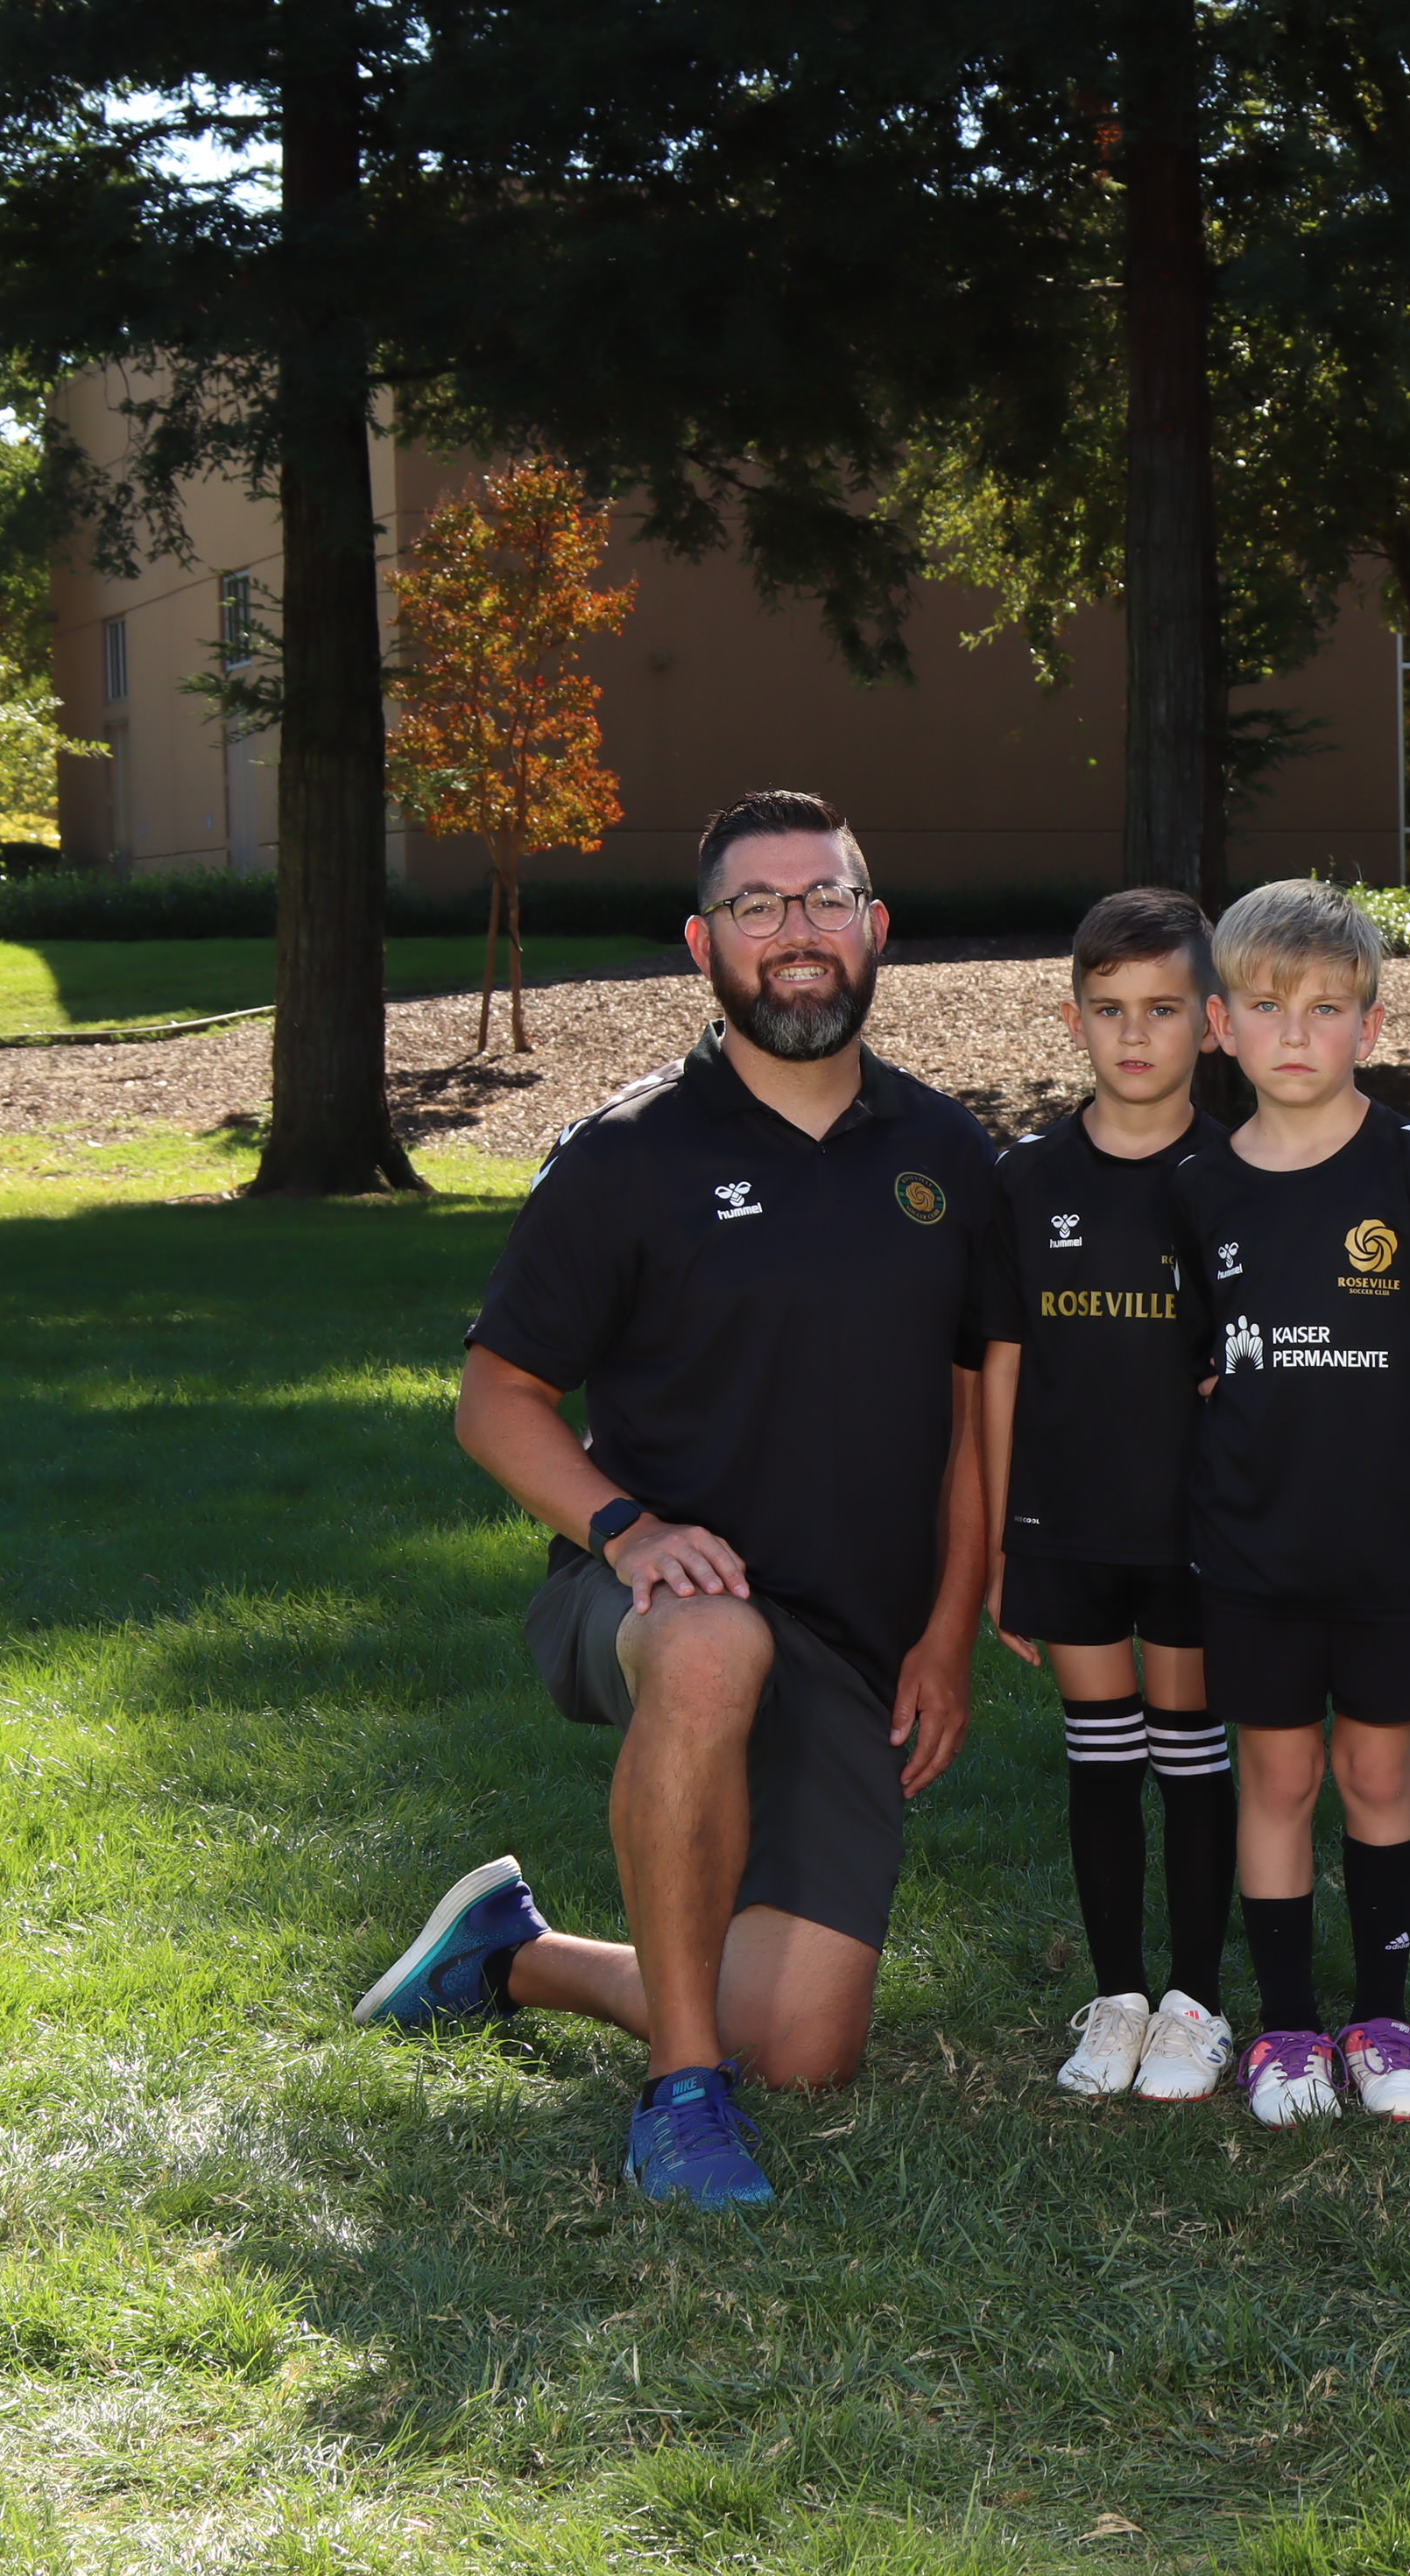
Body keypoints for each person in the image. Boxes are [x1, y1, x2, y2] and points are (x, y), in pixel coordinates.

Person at [356, 789, 1014, 2209]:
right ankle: (678, 2097)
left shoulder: (951, 1159)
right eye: (756, 906)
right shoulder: (628, 1156)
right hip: (652, 1598)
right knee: (716, 1642)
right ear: (702, 944)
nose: (796, 931)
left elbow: (973, 1429)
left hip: (849, 1648)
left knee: (807, 2052)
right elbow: (496, 1398)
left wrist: (949, 1634)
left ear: (876, 928)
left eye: (824, 899)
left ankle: (513, 1955)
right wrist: (627, 1530)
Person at [1174, 880, 1410, 2128]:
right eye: (1265, 1006)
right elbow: (1195, 1353)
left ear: (1372, 1022)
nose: (1294, 1033)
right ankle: (1290, 2026)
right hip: (1254, 1540)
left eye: (1325, 1008)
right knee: (1280, 1775)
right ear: (1220, 1025)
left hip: (1392, 1537)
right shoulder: (1199, 1186)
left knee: (1377, 1770)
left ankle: (1384, 2018)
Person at [982, 887, 1237, 2103]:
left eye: (1163, 1008)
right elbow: (1000, 1366)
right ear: (1073, 1017)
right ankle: (1121, 1995)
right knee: (1099, 1752)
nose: (1135, 1034)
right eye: (1110, 1008)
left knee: (1189, 1752)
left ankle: (1195, 2003)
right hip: (1067, 1519)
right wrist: (997, 1540)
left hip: (1199, 1524)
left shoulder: (1243, 1171)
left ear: (1211, 1020)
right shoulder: (1025, 1178)